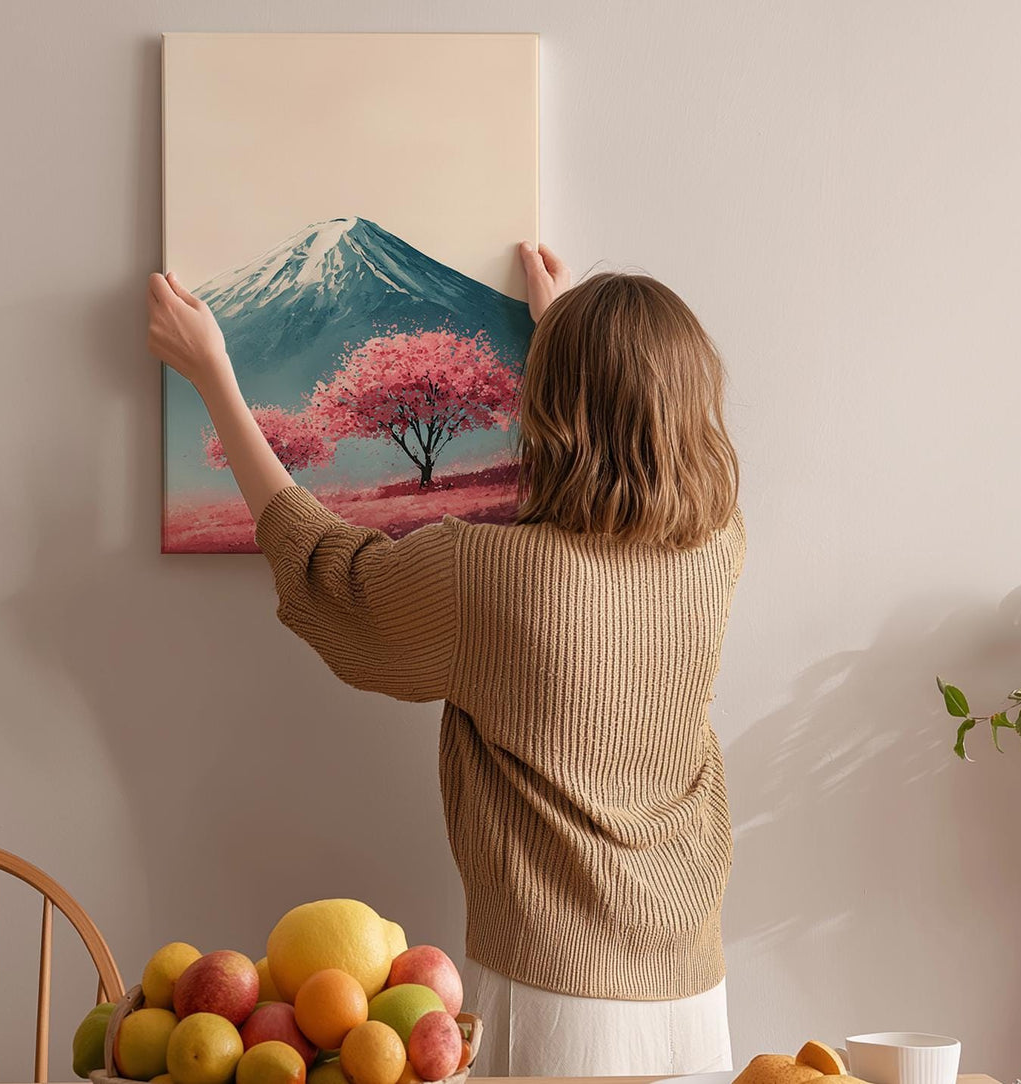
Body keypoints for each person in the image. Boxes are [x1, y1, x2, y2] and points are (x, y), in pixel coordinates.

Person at [146, 242, 744, 1077]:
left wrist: (214, 378)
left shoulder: (485, 575)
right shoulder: (716, 547)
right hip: (692, 984)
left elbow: (328, 571)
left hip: (552, 992)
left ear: (551, 404)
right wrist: (563, 332)